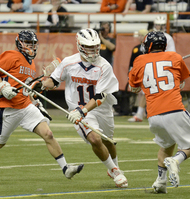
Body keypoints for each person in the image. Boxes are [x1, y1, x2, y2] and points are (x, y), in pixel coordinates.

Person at [0, 30, 84, 180]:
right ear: (20, 43)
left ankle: (65, 168)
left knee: (48, 134)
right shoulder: (11, 55)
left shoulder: (32, 64)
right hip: (8, 107)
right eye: (28, 43)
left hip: (25, 106)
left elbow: (26, 91)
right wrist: (2, 85)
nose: (32, 46)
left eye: (33, 44)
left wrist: (36, 102)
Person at [41, 28, 128, 188]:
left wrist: (83, 110)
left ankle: (114, 167)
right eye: (88, 46)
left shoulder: (104, 66)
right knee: (94, 139)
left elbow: (100, 97)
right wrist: (44, 83)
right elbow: (53, 81)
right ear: (80, 45)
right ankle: (115, 171)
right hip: (78, 110)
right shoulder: (68, 62)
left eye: (95, 46)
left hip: (100, 109)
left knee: (109, 142)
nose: (93, 50)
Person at [129, 31, 190, 193]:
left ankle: (161, 182)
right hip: (174, 109)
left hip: (153, 115)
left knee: (166, 146)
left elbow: (133, 87)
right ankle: (176, 160)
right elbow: (182, 80)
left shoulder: (139, 60)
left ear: (148, 45)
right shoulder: (175, 57)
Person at [128, 16, 176, 122]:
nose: (160, 27)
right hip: (150, 65)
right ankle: (140, 113)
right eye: (158, 24)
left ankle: (163, 112)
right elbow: (143, 50)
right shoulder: (149, 36)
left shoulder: (168, 38)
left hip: (164, 67)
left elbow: (172, 55)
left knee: (165, 90)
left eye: (162, 25)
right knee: (147, 89)